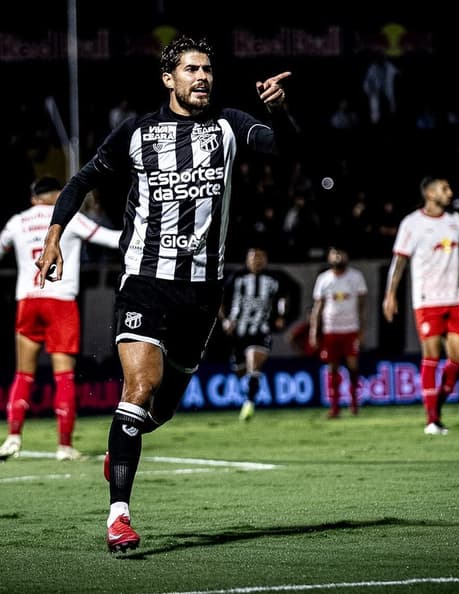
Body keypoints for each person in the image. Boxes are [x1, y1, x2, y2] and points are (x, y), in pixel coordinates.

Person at [34, 35, 294, 553]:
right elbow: (80, 181)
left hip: (202, 294)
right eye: (192, 69)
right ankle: (119, 516)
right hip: (145, 283)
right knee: (140, 385)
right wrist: (54, 234)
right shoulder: (137, 132)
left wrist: (281, 113)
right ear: (168, 77)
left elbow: (284, 149)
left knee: (162, 408)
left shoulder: (230, 125)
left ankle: (121, 445)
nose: (203, 77)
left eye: (208, 69)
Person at [0, 176, 121, 463]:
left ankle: (13, 438)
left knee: (23, 374)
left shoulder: (18, 221)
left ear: (33, 198)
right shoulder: (71, 218)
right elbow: (112, 239)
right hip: (61, 302)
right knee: (64, 376)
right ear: (60, 195)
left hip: (28, 301)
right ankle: (64, 446)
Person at [382, 177, 459, 435]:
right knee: (431, 357)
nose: (450, 193)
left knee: (457, 360)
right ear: (430, 194)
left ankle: (436, 405)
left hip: (455, 300)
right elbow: (399, 262)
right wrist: (390, 294)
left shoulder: (455, 221)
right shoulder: (412, 223)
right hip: (427, 301)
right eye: (445, 188)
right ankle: (432, 419)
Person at [220, 246, 290, 421]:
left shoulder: (273, 279)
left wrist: (281, 315)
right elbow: (219, 299)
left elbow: (282, 299)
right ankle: (251, 386)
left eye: (261, 257)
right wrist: (225, 320)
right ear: (247, 260)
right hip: (238, 332)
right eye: (253, 257)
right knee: (239, 370)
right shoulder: (237, 278)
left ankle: (249, 403)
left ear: (265, 260)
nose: (257, 260)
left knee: (254, 362)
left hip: (261, 330)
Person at [308, 246, 367, 418]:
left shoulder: (356, 277)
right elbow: (318, 307)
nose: (338, 256)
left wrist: (362, 329)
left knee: (352, 366)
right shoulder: (324, 279)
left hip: (351, 328)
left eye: (341, 253)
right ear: (329, 256)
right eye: (335, 253)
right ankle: (335, 407)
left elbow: (362, 305)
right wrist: (314, 330)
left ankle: (354, 403)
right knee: (332, 368)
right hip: (331, 329)